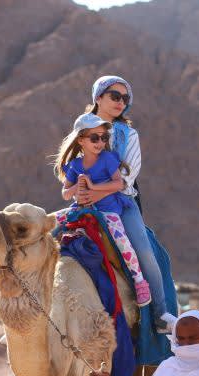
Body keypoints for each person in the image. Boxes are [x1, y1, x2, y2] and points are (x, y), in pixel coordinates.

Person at [77, 75, 170, 327]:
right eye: (115, 96)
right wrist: (79, 191)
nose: (121, 102)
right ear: (98, 98)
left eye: (125, 98)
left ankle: (160, 314)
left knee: (145, 252)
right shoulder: (82, 129)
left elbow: (128, 176)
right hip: (86, 201)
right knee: (51, 243)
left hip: (122, 201)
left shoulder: (129, 134)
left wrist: (97, 192)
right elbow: (70, 163)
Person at [53, 112, 152, 305]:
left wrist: (93, 186)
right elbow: (66, 194)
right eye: (94, 138)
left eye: (104, 137)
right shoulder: (74, 165)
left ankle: (139, 281)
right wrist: (77, 186)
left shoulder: (107, 159)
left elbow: (119, 184)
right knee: (50, 226)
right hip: (81, 209)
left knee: (122, 241)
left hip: (108, 210)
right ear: (81, 140)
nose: (100, 142)